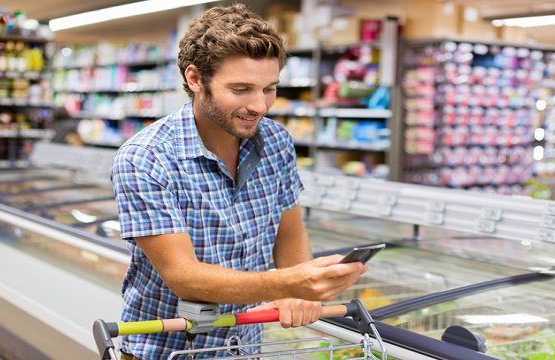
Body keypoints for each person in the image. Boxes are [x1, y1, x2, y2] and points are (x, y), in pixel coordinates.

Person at [110, 4, 367, 359]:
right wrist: (287, 283)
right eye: (241, 89)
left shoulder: (276, 141)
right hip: (166, 348)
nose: (260, 105)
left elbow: (289, 232)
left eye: (269, 88)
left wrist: (296, 291)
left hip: (244, 347)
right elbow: (184, 276)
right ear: (195, 79)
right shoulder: (146, 158)